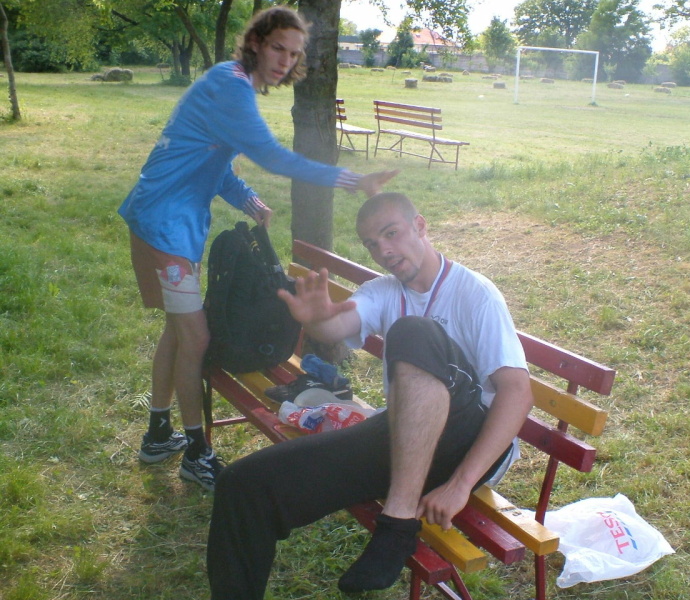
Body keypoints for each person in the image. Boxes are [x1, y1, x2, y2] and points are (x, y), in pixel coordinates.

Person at [118, 5, 397, 493]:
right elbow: (272, 155)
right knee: (195, 338)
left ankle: (158, 434)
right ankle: (196, 453)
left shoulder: (226, 82)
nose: (285, 61)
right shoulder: (232, 86)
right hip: (165, 229)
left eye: (293, 54)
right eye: (277, 48)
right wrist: (351, 179)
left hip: (162, 220)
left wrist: (247, 200)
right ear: (255, 43)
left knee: (177, 333)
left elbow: (210, 160)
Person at [206, 192, 534, 598]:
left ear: (420, 226)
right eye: (372, 244)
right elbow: (340, 324)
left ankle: (397, 526)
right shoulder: (383, 290)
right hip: (406, 437)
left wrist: (461, 484)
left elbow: (517, 393)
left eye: (391, 234)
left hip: (468, 443)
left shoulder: (475, 293)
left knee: (413, 331)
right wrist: (318, 321)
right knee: (243, 484)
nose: (384, 251)